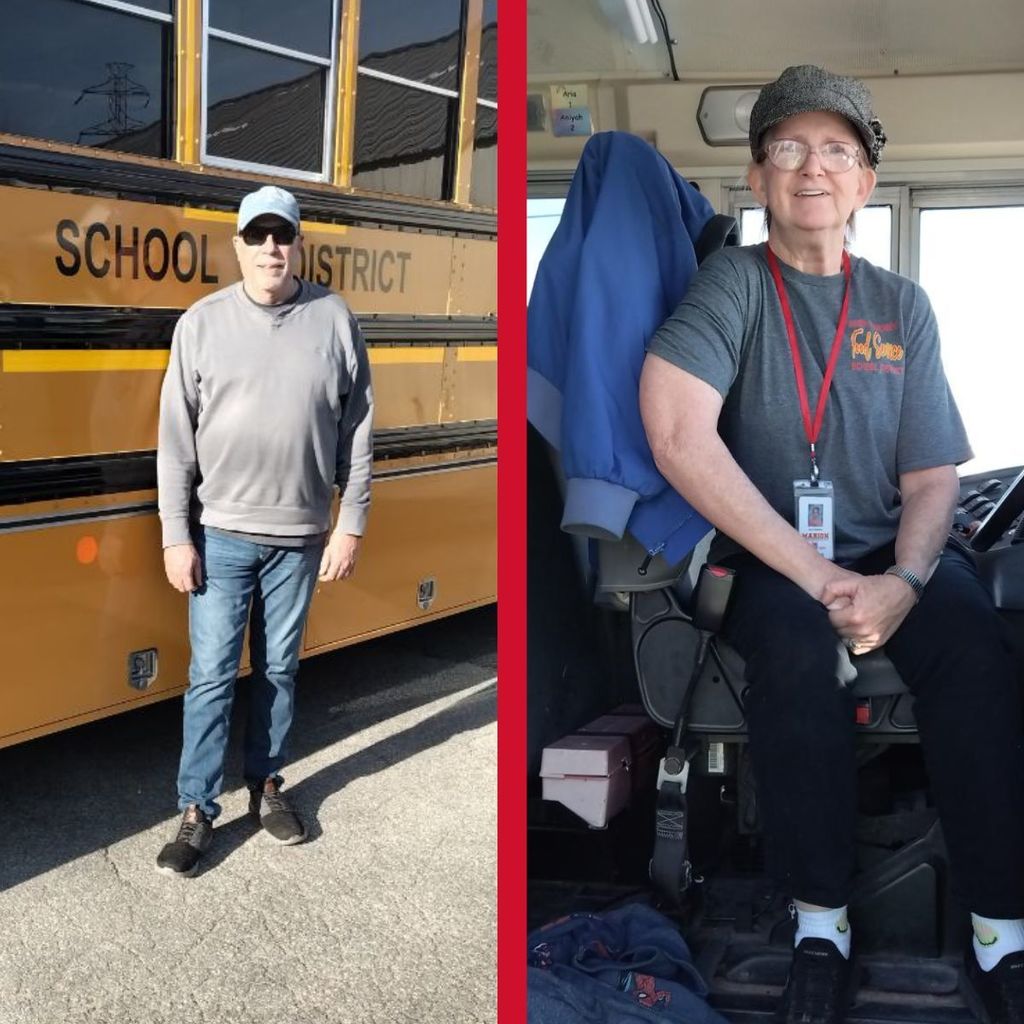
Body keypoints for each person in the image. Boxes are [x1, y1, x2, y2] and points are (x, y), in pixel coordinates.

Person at [639, 65, 1024, 1024]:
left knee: (976, 647)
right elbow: (677, 429)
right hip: (773, 563)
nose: (813, 167)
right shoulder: (732, 284)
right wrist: (817, 577)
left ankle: (998, 932)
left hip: (892, 554)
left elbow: (934, 476)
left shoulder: (903, 306)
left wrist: (903, 576)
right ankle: (822, 923)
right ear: (761, 178)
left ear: (865, 182)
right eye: (788, 148)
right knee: (799, 652)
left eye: (836, 150)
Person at [156, 185, 373, 878]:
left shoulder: (334, 319)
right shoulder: (202, 323)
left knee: (279, 669)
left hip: (303, 536)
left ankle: (268, 787)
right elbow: (174, 442)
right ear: (239, 246)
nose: (271, 248)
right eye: (259, 236)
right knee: (213, 675)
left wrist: (351, 524)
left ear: (298, 243)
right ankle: (196, 810)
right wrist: (174, 535)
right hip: (220, 533)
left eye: (283, 236)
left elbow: (359, 431)